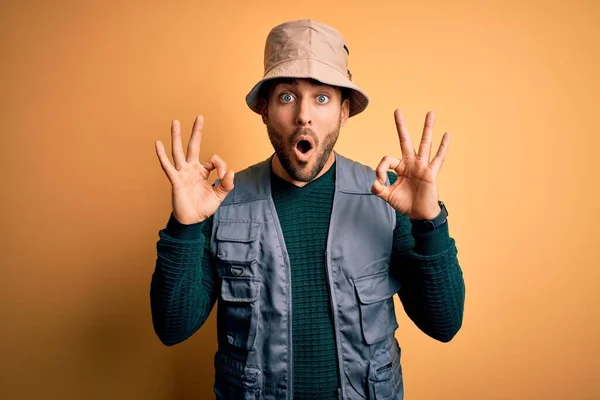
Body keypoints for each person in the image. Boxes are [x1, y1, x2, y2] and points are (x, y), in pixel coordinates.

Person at [150, 19, 465, 400]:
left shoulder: (387, 201)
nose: (304, 115)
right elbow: (172, 328)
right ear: (264, 110)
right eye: (287, 96)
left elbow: (444, 324)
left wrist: (427, 222)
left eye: (322, 98)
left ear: (343, 112)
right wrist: (184, 226)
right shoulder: (221, 203)